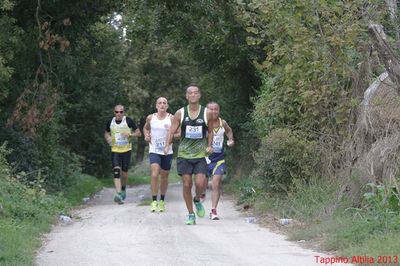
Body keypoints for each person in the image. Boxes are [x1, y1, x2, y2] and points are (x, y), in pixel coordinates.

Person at [164, 84, 213, 225]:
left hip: (200, 154)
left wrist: (209, 145)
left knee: (200, 183)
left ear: (199, 95)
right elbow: (172, 131)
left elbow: (210, 131)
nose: (192, 95)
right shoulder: (180, 113)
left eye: (195, 93)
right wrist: (168, 145)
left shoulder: (207, 113)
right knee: (186, 184)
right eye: (190, 93)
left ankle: (197, 199)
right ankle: (191, 214)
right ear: (186, 96)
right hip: (184, 154)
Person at [143, 97, 180, 212]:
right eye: (160, 103)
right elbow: (145, 128)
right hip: (154, 149)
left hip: (167, 151)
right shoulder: (151, 117)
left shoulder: (172, 118)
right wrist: (146, 135)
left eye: (164, 103)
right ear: (156, 105)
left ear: (167, 106)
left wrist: (171, 137)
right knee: (154, 174)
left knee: (164, 176)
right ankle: (154, 201)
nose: (162, 105)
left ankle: (162, 200)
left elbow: (179, 133)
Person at [104, 104, 141, 204]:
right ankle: (119, 194)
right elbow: (106, 133)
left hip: (126, 151)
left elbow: (139, 133)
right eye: (117, 112)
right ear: (114, 112)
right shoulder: (110, 122)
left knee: (124, 174)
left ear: (123, 112)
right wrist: (108, 139)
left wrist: (130, 134)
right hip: (115, 150)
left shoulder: (128, 121)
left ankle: (123, 189)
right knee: (116, 171)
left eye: (121, 112)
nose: (119, 114)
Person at [204, 102, 234, 220]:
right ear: (206, 111)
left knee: (216, 183)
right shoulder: (203, 124)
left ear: (219, 111)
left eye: (216, 109)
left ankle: (213, 210)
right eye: (211, 109)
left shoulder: (223, 123)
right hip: (204, 159)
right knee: (201, 184)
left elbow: (228, 131)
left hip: (219, 159)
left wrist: (230, 139)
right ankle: (200, 194)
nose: (213, 112)